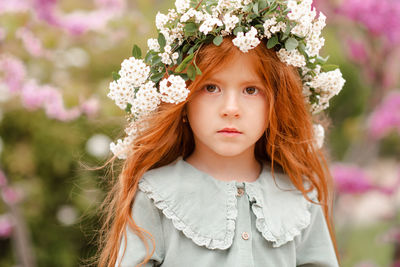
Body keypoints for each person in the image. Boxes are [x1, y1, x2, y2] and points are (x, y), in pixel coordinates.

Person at [97, 0, 345, 266]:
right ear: (182, 97)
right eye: (211, 88)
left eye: (251, 90)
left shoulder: (300, 197)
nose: (231, 109)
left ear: (277, 104)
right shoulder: (155, 194)